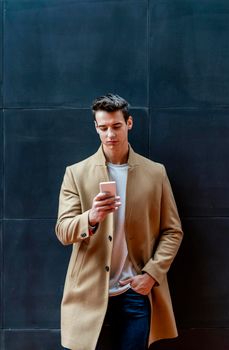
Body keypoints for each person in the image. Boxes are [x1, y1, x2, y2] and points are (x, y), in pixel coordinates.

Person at [55, 93, 183, 350]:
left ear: (129, 123)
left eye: (116, 126)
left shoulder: (155, 172)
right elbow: (63, 231)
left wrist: (151, 275)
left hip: (135, 292)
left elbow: (172, 231)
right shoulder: (76, 173)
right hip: (87, 292)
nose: (110, 134)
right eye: (103, 128)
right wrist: (91, 217)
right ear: (96, 127)